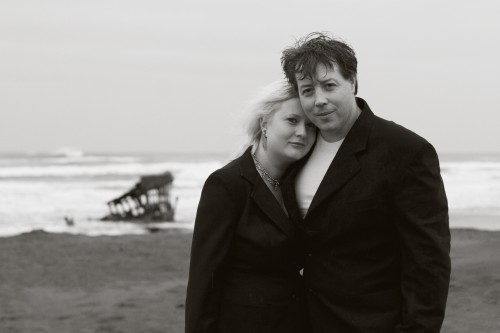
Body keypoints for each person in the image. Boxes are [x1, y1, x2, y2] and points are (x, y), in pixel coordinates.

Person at [280, 33, 451, 333]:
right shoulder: (297, 151)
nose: (319, 100)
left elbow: (428, 262)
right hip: (305, 320)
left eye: (329, 86)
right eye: (307, 90)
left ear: (353, 82)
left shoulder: (406, 151)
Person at [185, 80, 316, 333]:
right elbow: (203, 284)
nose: (302, 132)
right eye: (292, 120)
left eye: (310, 125)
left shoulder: (302, 184)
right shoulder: (226, 185)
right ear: (265, 123)